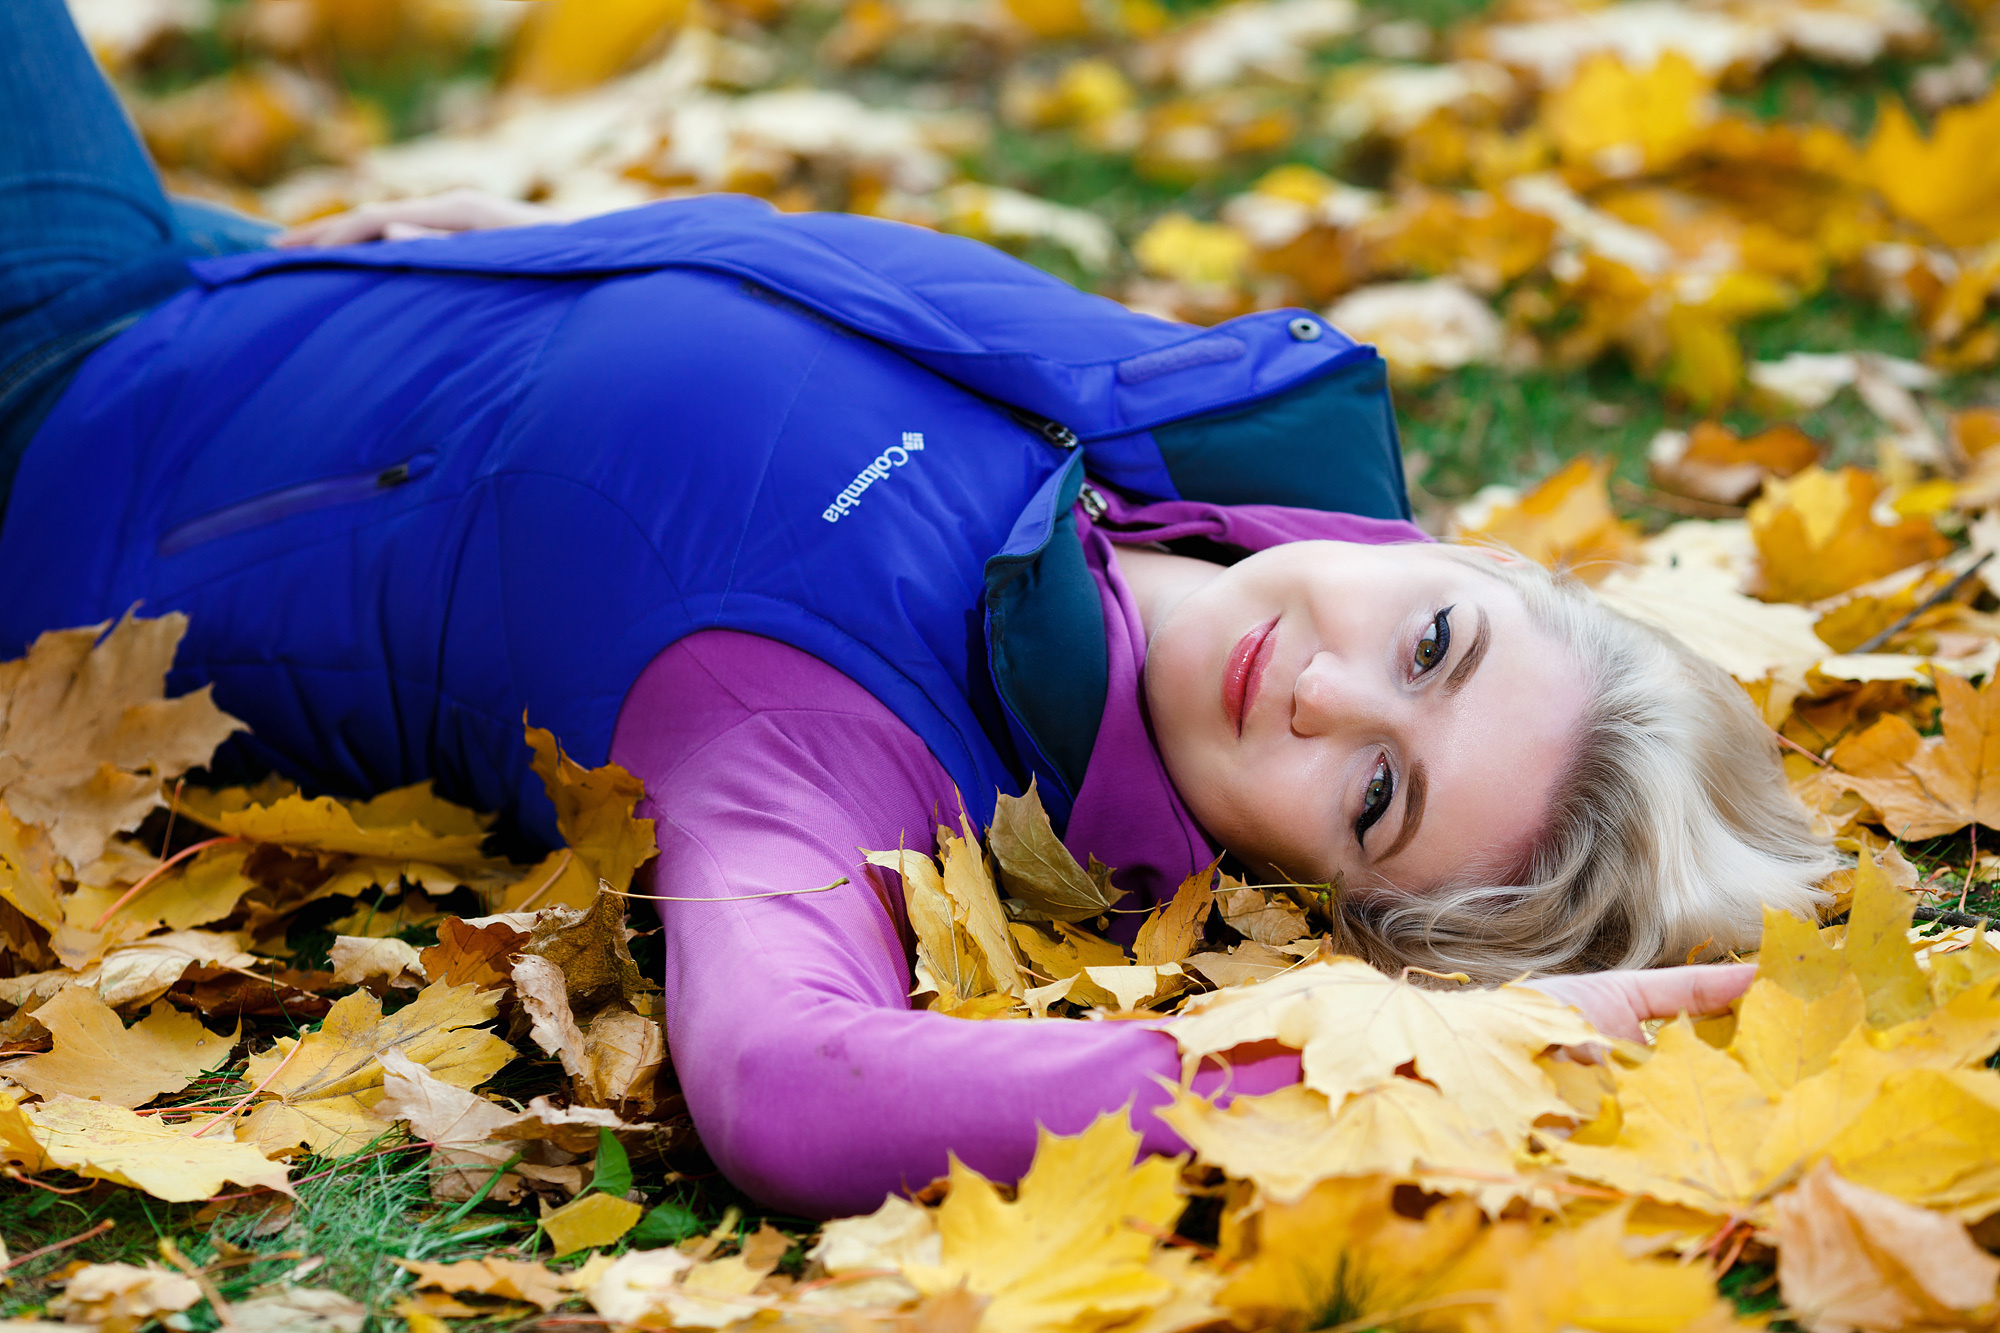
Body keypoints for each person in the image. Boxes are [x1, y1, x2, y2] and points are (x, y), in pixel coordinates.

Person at [0, 0, 1834, 1217]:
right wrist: (531, 264)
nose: (1333, 688)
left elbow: (787, 1081)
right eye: (1436, 644)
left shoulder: (842, 741)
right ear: (1470, 565)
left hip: (47, 436)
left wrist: (1490, 1045)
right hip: (203, 277)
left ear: (1326, 906)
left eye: (1377, 798)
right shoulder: (1166, 429)